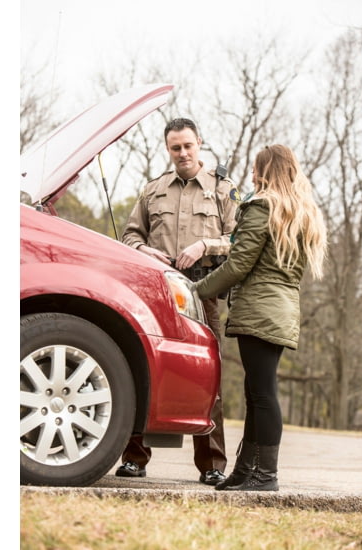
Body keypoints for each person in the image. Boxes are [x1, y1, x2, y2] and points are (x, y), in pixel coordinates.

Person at [192, 144, 327, 491]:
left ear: (266, 170)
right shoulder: (297, 212)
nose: (252, 175)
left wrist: (198, 290)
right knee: (257, 392)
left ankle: (265, 475)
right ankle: (246, 471)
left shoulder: (261, 206)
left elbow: (239, 264)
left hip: (261, 309)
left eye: (256, 168)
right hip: (280, 310)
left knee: (263, 394)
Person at [117, 117, 239, 485]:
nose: (182, 153)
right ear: (167, 149)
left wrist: (206, 244)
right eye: (175, 148)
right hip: (155, 294)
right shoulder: (152, 190)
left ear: (200, 143)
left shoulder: (223, 189)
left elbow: (239, 240)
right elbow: (128, 237)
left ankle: (213, 466)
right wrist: (145, 250)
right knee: (145, 371)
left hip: (203, 293)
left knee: (208, 380)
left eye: (188, 145)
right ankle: (134, 459)